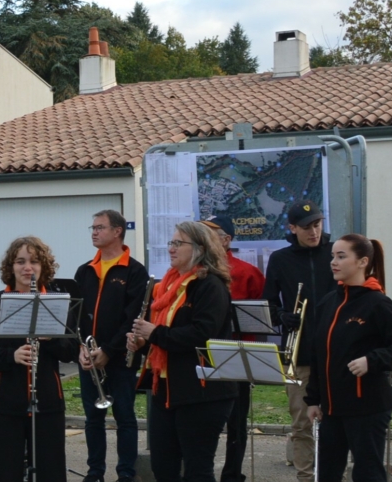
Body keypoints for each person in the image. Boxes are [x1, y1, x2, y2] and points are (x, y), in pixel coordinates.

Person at [127, 221, 237, 482]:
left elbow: (201, 334)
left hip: (202, 391)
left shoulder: (210, 286)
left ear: (199, 248)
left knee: (197, 469)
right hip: (166, 387)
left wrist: (153, 333)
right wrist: (144, 343)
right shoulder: (166, 285)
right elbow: (164, 336)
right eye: (171, 243)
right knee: (163, 467)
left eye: (179, 243)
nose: (171, 248)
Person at [305, 234, 392, 482]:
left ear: (362, 261)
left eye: (341, 256)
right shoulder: (328, 302)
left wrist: (372, 360)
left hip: (367, 406)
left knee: (368, 472)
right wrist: (313, 399)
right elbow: (318, 355)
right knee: (326, 472)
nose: (333, 262)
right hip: (331, 409)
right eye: (333, 256)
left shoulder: (377, 303)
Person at [0, 236, 75, 482]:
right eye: (20, 261)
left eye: (34, 261)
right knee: (3, 471)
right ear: (11, 267)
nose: (28, 267)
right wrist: (12, 355)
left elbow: (71, 352)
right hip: (4, 402)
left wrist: (53, 339)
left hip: (47, 401)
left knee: (51, 472)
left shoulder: (56, 303)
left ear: (44, 267)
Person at [73, 210, 150, 482]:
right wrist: (82, 349)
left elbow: (133, 318)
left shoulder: (135, 271)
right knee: (93, 419)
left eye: (100, 227)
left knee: (125, 418)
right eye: (92, 227)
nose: (94, 232)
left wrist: (108, 350)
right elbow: (77, 317)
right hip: (89, 359)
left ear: (117, 231)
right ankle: (95, 473)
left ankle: (126, 474)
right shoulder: (84, 271)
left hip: (120, 360)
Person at [262, 200, 334, 482]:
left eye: (317, 224)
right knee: (302, 423)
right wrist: (282, 315)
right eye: (306, 227)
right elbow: (268, 303)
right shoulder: (280, 259)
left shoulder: (334, 252)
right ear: (292, 228)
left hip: (334, 350)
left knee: (336, 421)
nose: (314, 232)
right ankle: (306, 476)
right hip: (299, 352)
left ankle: (331, 474)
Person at [199, 215, 265, 482]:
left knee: (237, 421)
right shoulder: (194, 272)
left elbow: (262, 316)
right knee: (201, 419)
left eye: (211, 233)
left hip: (237, 354)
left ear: (226, 240)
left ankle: (232, 473)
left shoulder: (248, 272)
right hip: (203, 354)